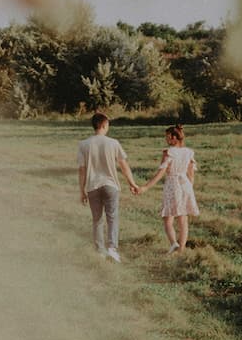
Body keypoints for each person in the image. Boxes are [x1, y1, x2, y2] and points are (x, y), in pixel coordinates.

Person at [77, 112, 140, 262]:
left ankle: (100, 250)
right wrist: (132, 183)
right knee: (112, 217)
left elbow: (82, 170)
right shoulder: (113, 143)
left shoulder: (84, 144)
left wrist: (82, 191)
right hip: (111, 185)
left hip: (93, 185)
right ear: (104, 125)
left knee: (97, 219)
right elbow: (124, 166)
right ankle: (112, 248)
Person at [139, 124, 199, 253]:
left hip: (173, 184)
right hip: (186, 184)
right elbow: (191, 174)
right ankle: (181, 249)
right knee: (183, 218)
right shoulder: (189, 152)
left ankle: (174, 244)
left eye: (167, 137)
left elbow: (160, 173)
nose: (166, 139)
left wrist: (145, 187)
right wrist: (189, 189)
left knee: (168, 217)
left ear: (174, 138)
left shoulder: (169, 152)